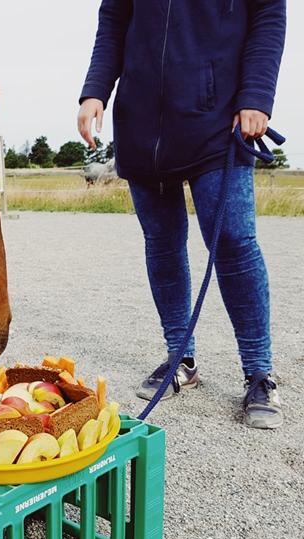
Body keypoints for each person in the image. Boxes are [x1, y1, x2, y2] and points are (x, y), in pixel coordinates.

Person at [78, 1, 286, 428]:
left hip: (217, 120)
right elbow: (113, 21)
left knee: (232, 242)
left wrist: (257, 95)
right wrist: (95, 89)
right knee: (162, 244)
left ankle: (259, 372)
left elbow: (268, 15)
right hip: (140, 126)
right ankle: (180, 359)